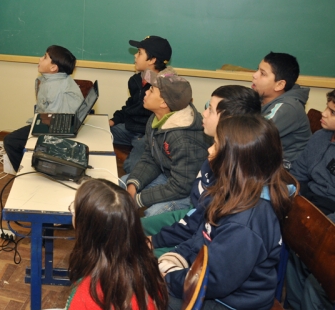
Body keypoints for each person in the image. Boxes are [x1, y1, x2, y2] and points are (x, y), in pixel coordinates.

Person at [161, 115, 297, 310]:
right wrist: (177, 256)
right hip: (210, 284)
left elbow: (213, 281)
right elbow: (202, 236)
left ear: (233, 160)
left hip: (232, 304)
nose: (209, 149)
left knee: (140, 296)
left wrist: (169, 276)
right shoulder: (231, 190)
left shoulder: (246, 223)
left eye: (215, 145)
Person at [144, 86, 261, 254]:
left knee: (133, 256)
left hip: (201, 237)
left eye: (211, 110)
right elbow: (197, 214)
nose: (204, 113)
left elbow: (204, 235)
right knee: (129, 228)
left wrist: (156, 243)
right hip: (193, 219)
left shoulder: (234, 173)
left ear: (230, 120)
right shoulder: (213, 151)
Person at [44, 179, 168, 310]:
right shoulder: (147, 264)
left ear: (89, 228)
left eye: (75, 209)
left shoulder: (89, 293)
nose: (72, 213)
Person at [124, 69, 211, 217]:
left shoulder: (184, 140)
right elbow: (150, 157)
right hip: (170, 177)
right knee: (120, 184)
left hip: (189, 191)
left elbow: (181, 187)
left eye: (151, 91)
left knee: (152, 215)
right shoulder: (156, 119)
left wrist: (138, 199)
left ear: (164, 103)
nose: (146, 93)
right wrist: (133, 185)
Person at [284, 89, 335, 310]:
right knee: (294, 249)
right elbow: (299, 174)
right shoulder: (321, 136)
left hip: (330, 212)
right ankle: (293, 306)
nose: (323, 113)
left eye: (331, 112)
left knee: (313, 253)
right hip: (309, 202)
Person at [3, 45, 84, 172]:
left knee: (10, 141)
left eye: (45, 57)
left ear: (53, 68)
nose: (40, 59)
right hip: (49, 121)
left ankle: (25, 174)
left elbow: (55, 124)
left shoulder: (57, 90)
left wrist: (36, 128)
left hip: (54, 129)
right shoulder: (53, 79)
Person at [110, 36, 172, 173]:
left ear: (152, 60)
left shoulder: (166, 85)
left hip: (148, 135)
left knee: (132, 168)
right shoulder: (136, 80)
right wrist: (113, 120)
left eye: (139, 53)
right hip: (129, 128)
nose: (135, 56)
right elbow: (130, 106)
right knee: (99, 133)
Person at [252, 52, 311, 166]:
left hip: (288, 171)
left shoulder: (289, 108)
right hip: (264, 161)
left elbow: (249, 137)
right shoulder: (261, 97)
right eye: (257, 70)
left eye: (263, 74)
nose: (254, 75)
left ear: (279, 85)